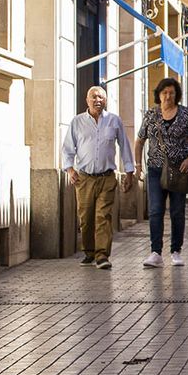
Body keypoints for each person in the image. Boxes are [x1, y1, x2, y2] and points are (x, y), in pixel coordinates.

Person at [61, 86, 136, 269]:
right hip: (84, 178)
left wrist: (129, 172)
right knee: (86, 217)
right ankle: (89, 252)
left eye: (101, 97)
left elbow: (125, 146)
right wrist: (70, 170)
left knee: (103, 216)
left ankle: (102, 255)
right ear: (87, 100)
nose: (98, 100)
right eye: (94, 97)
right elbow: (68, 149)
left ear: (106, 101)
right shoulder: (77, 122)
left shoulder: (114, 121)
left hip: (107, 177)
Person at [134, 77, 188, 268]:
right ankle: (156, 252)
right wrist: (138, 166)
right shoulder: (151, 115)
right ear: (159, 94)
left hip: (180, 169)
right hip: (156, 169)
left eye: (171, 92)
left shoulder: (186, 113)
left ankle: (176, 251)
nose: (168, 96)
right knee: (155, 210)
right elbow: (139, 141)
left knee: (177, 211)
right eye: (164, 93)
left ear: (176, 95)